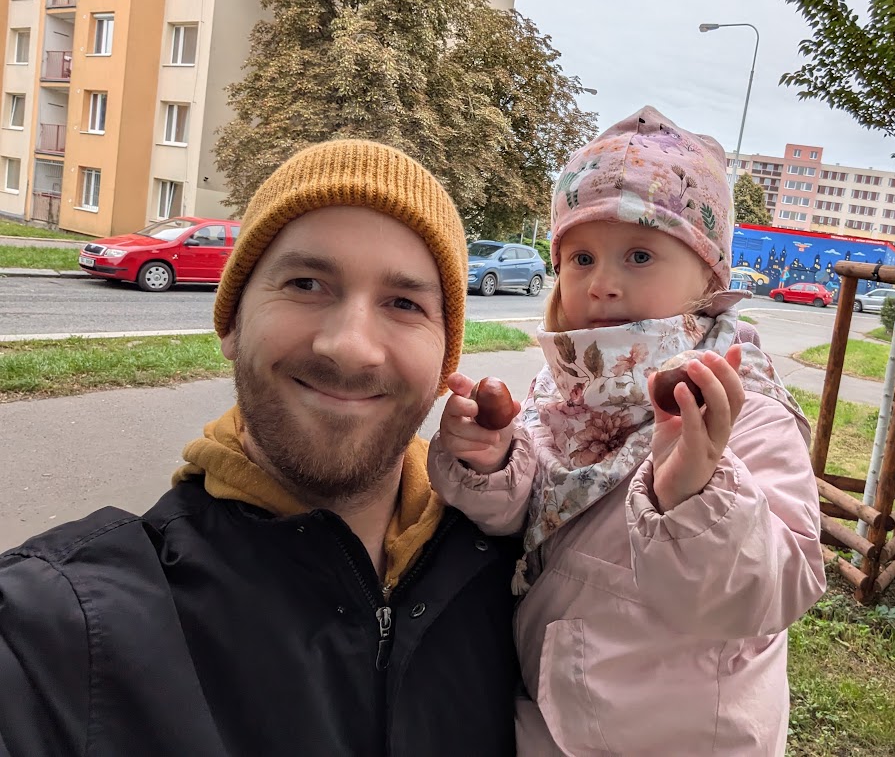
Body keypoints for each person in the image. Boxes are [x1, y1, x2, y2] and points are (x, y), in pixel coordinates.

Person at [0, 140, 520, 756]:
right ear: (231, 322)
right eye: (306, 283)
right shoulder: (58, 628)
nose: (350, 347)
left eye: (404, 303)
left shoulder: (526, 580)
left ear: (444, 363)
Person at [429, 106, 827, 755]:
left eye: (639, 254)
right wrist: (492, 462)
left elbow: (776, 588)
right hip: (553, 722)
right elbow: (525, 514)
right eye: (581, 256)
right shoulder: (562, 385)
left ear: (708, 275)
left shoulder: (739, 405)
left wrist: (697, 495)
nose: (603, 284)